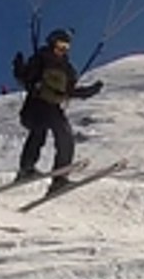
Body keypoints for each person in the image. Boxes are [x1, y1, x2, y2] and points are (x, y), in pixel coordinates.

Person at [12, 29, 103, 194]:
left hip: (52, 107)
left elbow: (70, 91)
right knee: (43, 133)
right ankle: (32, 171)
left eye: (66, 47)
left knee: (62, 136)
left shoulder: (67, 69)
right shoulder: (40, 59)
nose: (63, 49)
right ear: (52, 43)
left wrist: (90, 91)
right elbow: (26, 78)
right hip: (36, 104)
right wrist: (19, 67)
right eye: (60, 45)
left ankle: (52, 177)